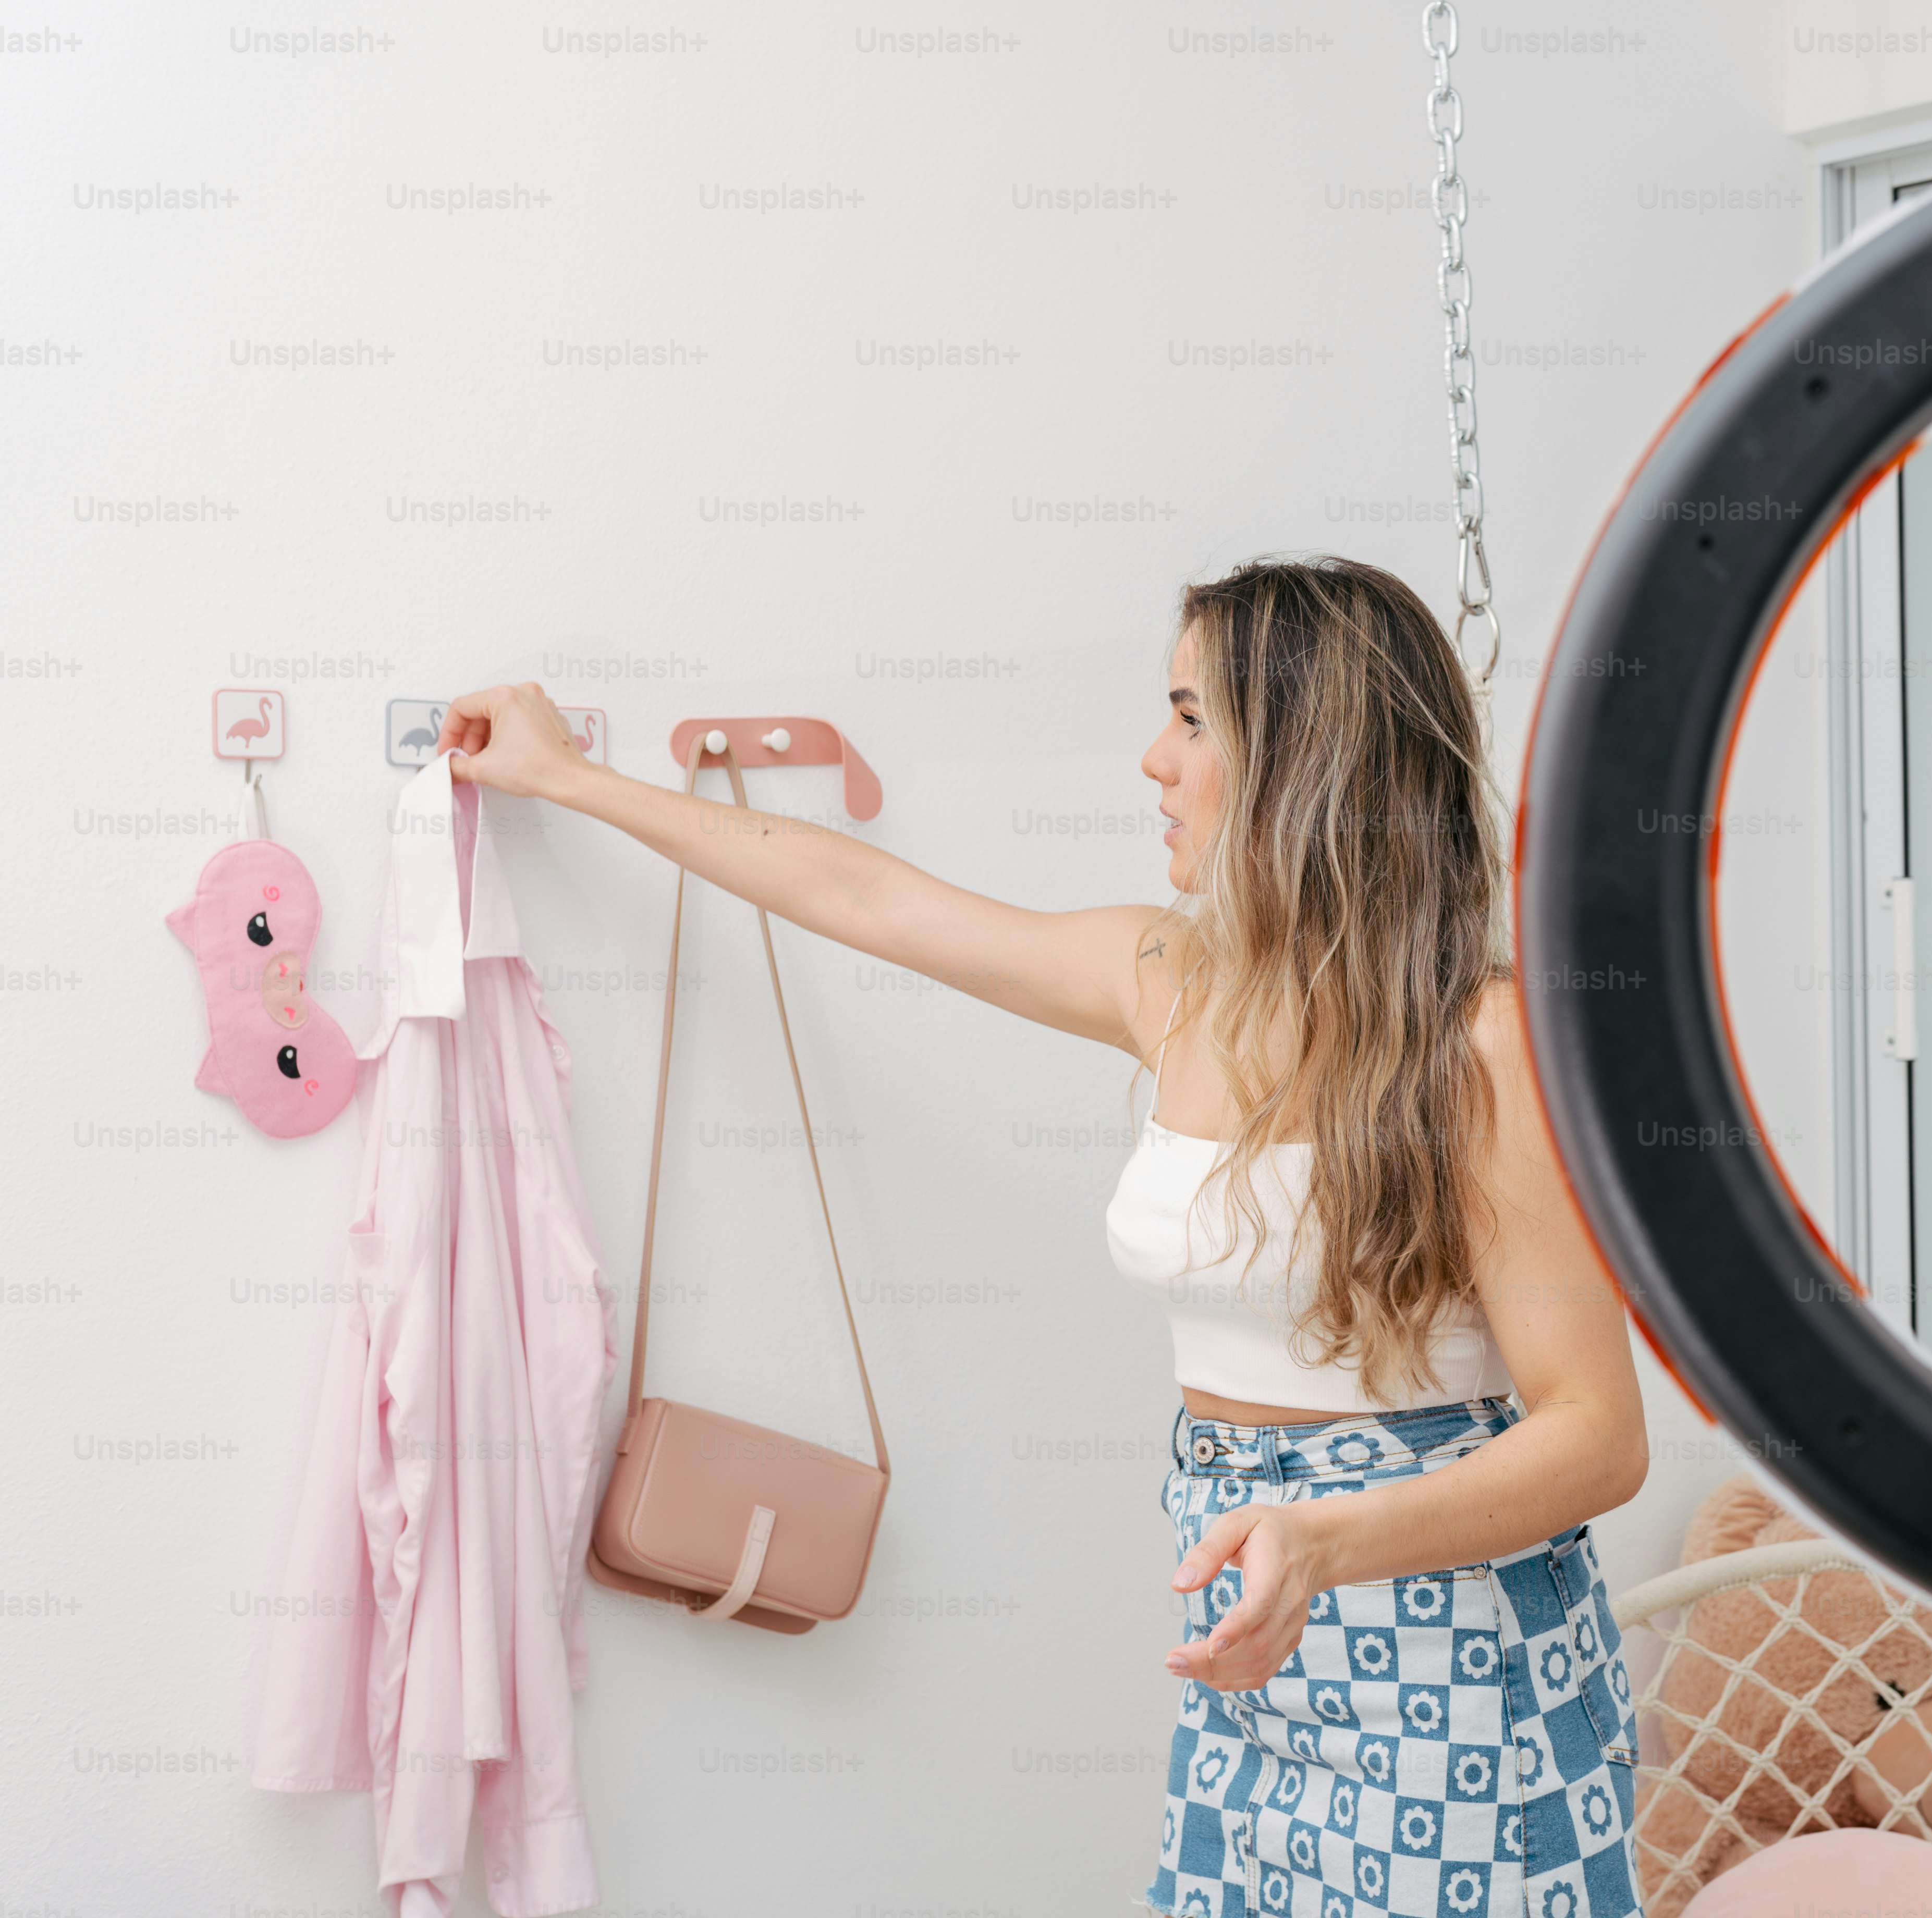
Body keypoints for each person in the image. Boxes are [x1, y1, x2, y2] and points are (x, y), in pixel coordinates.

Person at [439, 555, 1650, 1917]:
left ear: (1305, 754)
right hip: (1250, 1642)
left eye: (1194, 720)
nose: (1155, 760)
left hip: (1453, 1665)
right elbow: (868, 901)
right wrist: (571, 779)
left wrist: (1327, 1541)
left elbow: (1598, 1433)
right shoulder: (1176, 980)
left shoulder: (1477, 1043)